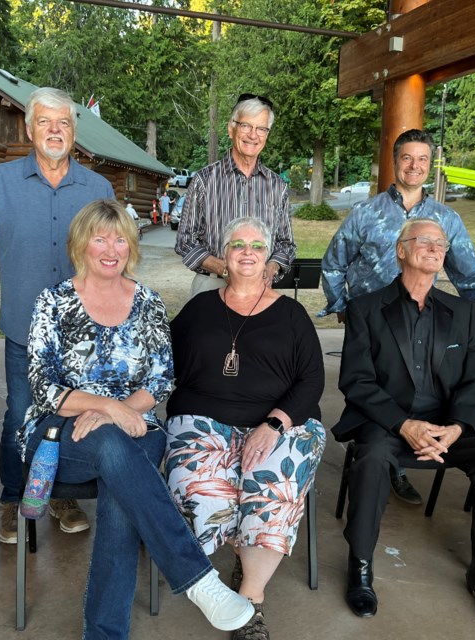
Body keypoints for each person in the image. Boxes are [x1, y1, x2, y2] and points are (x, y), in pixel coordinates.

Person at [21, 200, 254, 639]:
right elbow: (43, 388)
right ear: (80, 244)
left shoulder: (146, 301)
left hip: (136, 427)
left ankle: (105, 634)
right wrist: (109, 409)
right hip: (59, 433)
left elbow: (162, 380)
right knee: (114, 447)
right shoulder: (52, 303)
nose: (112, 248)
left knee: (119, 480)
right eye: (100, 238)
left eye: (121, 239)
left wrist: (122, 413)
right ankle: (200, 580)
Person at [0, 86, 114, 544]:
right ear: (29, 128)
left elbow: (118, 254)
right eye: (46, 122)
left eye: (64, 123)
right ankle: (14, 500)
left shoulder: (98, 188)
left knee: (76, 417)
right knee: (20, 417)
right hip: (23, 332)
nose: (55, 130)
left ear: (75, 131)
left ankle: (60, 494)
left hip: (85, 335)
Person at [333, 218, 475, 633]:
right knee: (373, 456)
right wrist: (404, 425)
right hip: (386, 423)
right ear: (401, 250)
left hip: (446, 427)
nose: (434, 248)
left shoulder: (463, 312)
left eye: (441, 243)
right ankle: (360, 566)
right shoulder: (365, 308)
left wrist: (456, 427)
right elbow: (356, 381)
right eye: (424, 240)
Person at [165, 217, 326, 640]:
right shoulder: (199, 308)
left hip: (279, 421)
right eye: (237, 244)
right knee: (200, 483)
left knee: (271, 485)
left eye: (257, 245)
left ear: (268, 255)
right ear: (224, 255)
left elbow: (312, 381)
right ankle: (218, 574)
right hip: (202, 418)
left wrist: (276, 422)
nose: (248, 251)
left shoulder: (291, 314)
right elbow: (163, 363)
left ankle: (250, 601)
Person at [320, 129, 475, 506]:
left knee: (422, 390)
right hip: (374, 329)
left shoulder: (446, 219)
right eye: (407, 158)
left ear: (430, 166)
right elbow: (334, 264)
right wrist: (343, 307)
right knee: (373, 394)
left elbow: (472, 277)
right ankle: (382, 457)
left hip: (423, 324)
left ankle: (408, 451)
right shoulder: (365, 213)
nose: (414, 166)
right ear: (394, 161)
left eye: (423, 159)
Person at [174, 94, 296, 299]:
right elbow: (185, 241)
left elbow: (286, 244)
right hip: (212, 285)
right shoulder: (205, 180)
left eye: (261, 129)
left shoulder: (278, 186)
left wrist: (271, 267)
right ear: (231, 128)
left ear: (267, 134)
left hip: (260, 289)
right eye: (246, 126)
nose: (253, 135)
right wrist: (223, 268)